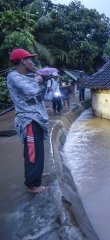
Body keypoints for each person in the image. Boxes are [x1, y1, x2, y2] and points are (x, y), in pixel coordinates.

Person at [6, 48, 49, 194]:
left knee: (37, 149)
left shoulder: (28, 76)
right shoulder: (14, 76)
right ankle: (32, 185)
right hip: (28, 119)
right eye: (30, 59)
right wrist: (37, 79)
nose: (33, 62)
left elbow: (39, 94)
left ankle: (37, 172)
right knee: (32, 151)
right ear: (23, 61)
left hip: (38, 118)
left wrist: (43, 81)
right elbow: (30, 90)